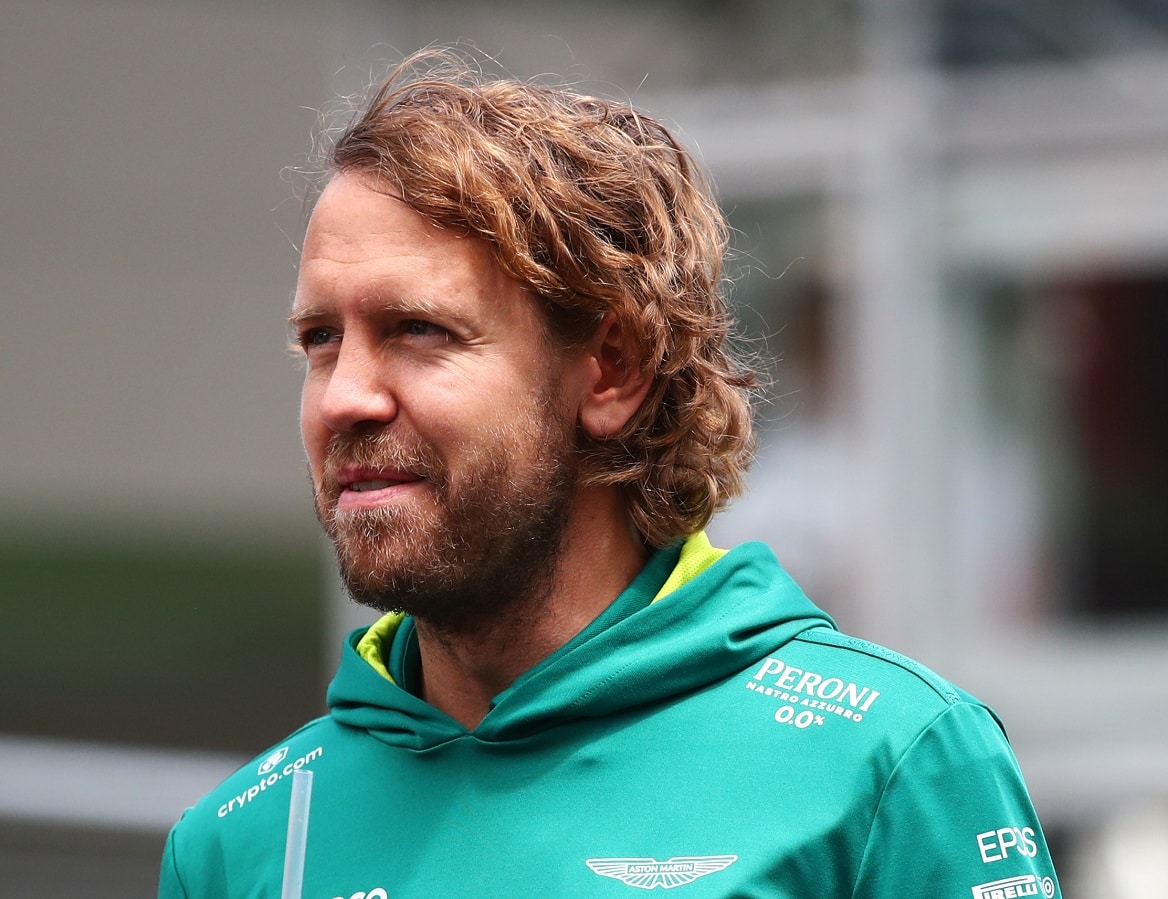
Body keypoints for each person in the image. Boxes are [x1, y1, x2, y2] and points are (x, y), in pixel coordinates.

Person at [159, 51, 1061, 899]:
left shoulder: (893, 763)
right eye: (320, 340)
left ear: (612, 368)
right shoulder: (243, 844)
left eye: (419, 330)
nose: (344, 397)